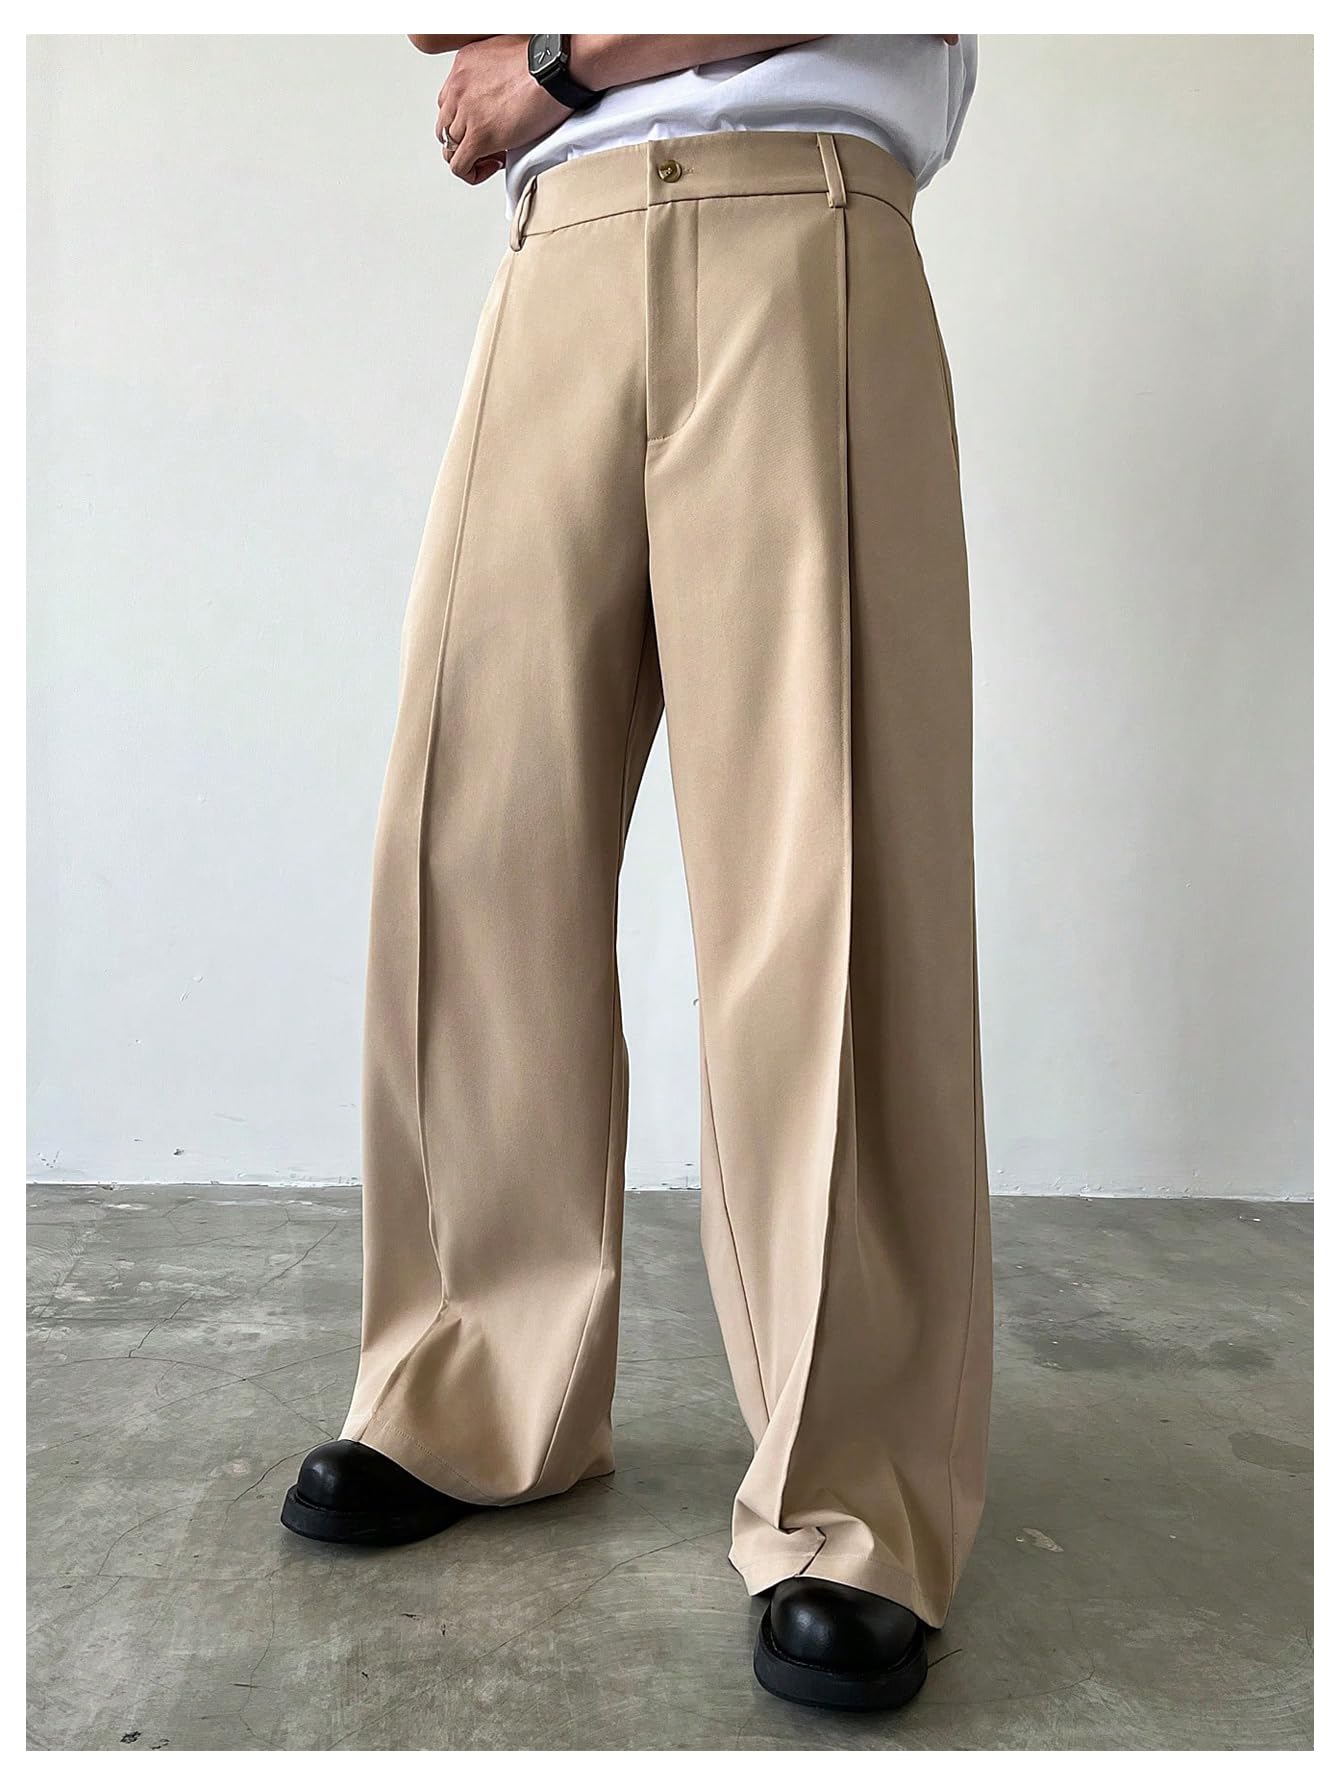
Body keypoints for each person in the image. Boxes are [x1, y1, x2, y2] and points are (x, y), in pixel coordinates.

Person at [281, 33, 990, 1715]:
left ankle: (856, 1496)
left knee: (823, 872)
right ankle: (474, 1384)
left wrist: (557, 57)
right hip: (559, 249)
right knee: (474, 830)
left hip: (800, 224)